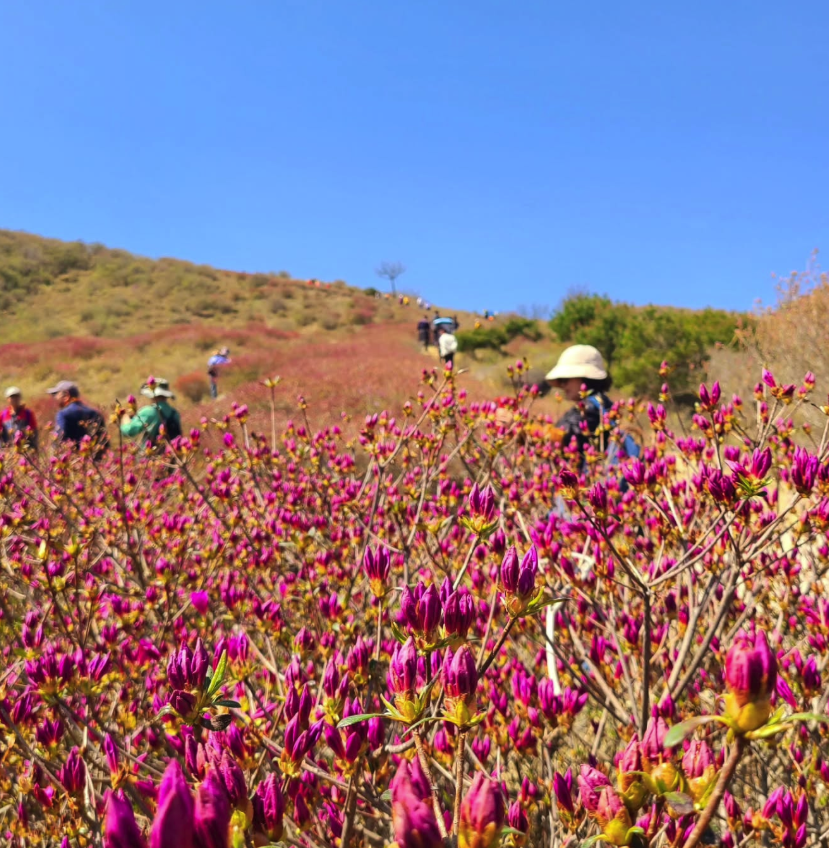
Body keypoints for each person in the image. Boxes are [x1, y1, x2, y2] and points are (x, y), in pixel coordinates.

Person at [545, 345, 613, 455]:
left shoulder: (592, 409)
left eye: (565, 380)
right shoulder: (595, 404)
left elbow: (568, 435)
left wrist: (529, 431)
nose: (563, 385)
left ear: (585, 378)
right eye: (561, 380)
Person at [47, 381, 109, 453]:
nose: (55, 398)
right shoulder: (95, 413)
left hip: (73, 457)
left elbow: (58, 441)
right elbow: (104, 442)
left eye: (56, 394)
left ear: (66, 396)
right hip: (94, 457)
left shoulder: (63, 414)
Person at [119, 379, 182, 447]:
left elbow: (129, 431)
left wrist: (124, 417)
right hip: (171, 452)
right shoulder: (175, 413)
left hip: (152, 452)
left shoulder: (148, 411)